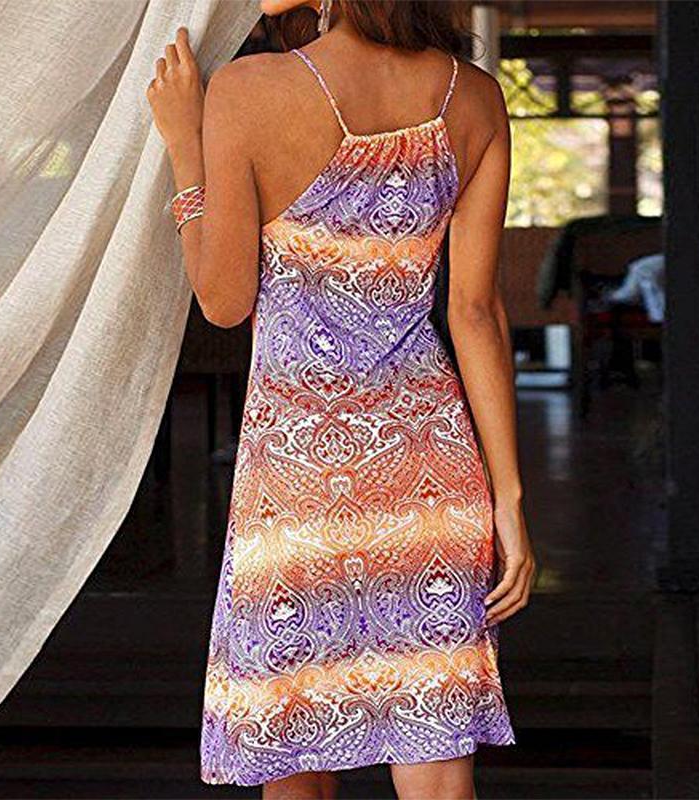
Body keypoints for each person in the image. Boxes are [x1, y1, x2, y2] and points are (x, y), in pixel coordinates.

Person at [146, 2, 536, 798]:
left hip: (296, 480)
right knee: (436, 768)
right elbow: (474, 312)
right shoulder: (474, 97)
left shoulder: (248, 90)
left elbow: (223, 300)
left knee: (292, 751)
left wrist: (186, 145)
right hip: (429, 475)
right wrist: (510, 499)